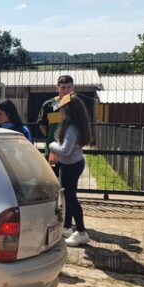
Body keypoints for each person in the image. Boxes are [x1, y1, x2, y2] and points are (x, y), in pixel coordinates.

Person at [48, 94, 92, 246]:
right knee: (68, 197)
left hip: (71, 166)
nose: (59, 111)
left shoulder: (71, 127)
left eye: (62, 108)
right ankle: (67, 228)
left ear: (68, 109)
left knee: (71, 199)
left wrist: (52, 145)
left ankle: (81, 232)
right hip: (73, 164)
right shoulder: (74, 124)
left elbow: (65, 150)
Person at [38, 74, 75, 165]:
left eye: (69, 87)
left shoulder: (77, 105)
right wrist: (51, 137)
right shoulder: (47, 105)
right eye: (63, 87)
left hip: (71, 150)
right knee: (53, 178)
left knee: (68, 179)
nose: (66, 90)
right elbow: (42, 125)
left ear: (73, 88)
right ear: (57, 88)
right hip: (52, 150)